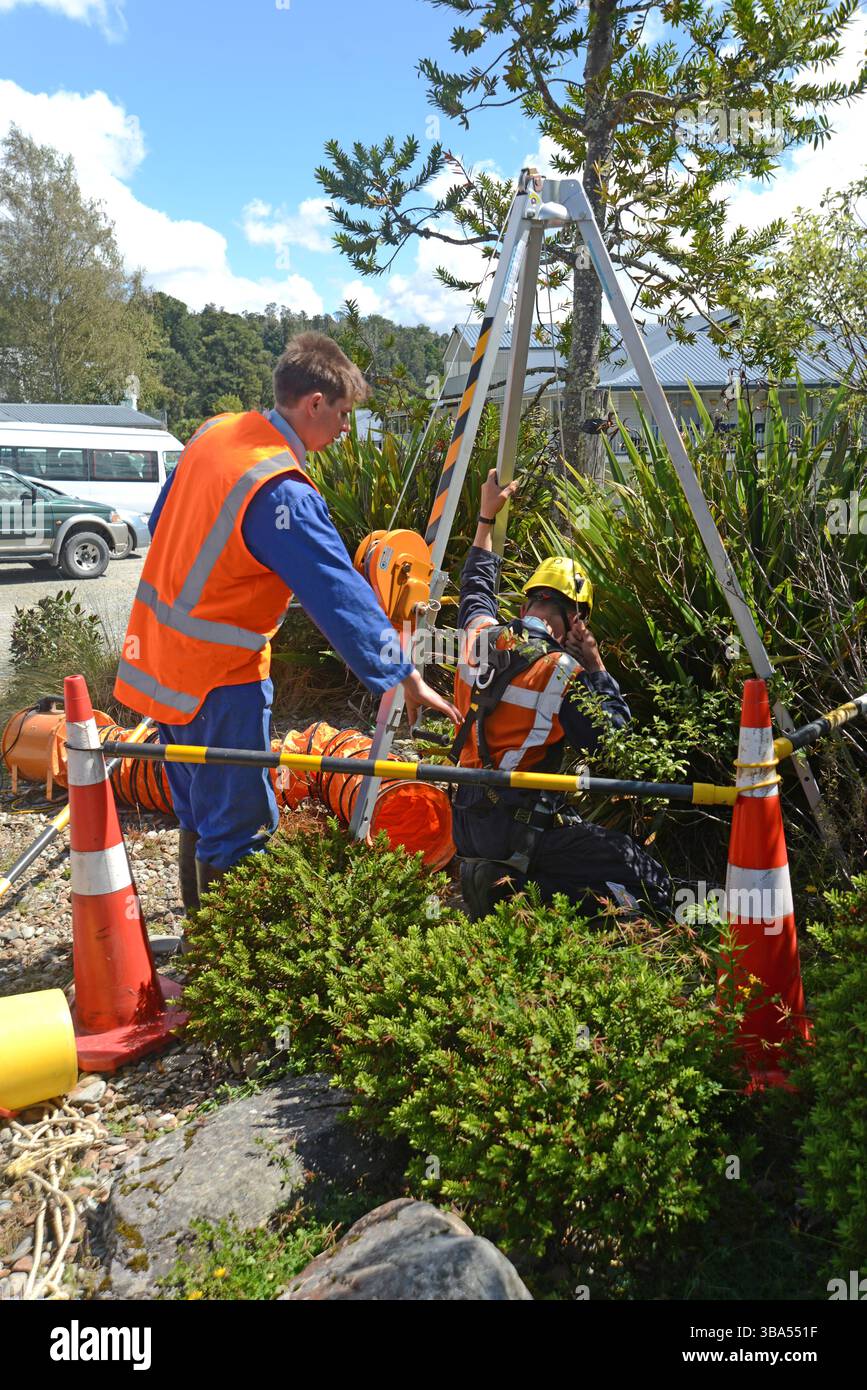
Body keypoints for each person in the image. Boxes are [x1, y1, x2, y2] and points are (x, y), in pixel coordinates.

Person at [115, 333, 460, 913]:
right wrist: (399, 672)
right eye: (345, 414)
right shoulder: (281, 489)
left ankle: (203, 958)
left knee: (197, 808)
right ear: (315, 404)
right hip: (219, 678)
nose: (347, 428)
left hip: (157, 659)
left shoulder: (215, 432)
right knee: (239, 827)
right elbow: (336, 591)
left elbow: (165, 520)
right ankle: (231, 980)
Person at [450, 468, 671, 920]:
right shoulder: (563, 674)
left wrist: (486, 520)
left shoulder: (479, 635)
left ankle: (506, 894)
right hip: (518, 832)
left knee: (571, 842)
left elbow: (475, 588)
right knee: (638, 867)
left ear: (525, 606)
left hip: (467, 824)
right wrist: (596, 665)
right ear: (576, 620)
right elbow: (615, 743)